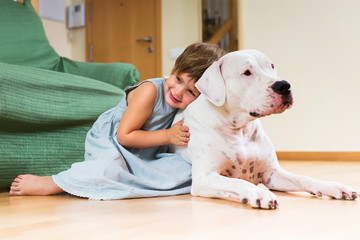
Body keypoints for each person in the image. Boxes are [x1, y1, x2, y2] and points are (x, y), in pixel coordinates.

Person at [9, 42, 225, 199]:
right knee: (108, 169)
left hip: (143, 154)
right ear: (173, 69)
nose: (178, 92)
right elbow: (124, 136)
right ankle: (55, 182)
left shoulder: (191, 107)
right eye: (178, 79)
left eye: (190, 92)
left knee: (185, 171)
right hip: (112, 142)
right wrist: (168, 135)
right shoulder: (150, 91)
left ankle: (129, 183)